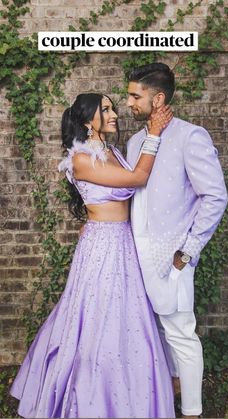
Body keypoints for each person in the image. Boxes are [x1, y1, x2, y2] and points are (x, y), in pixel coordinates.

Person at [10, 93, 175, 418]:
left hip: (124, 243)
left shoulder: (112, 151)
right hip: (102, 249)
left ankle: (129, 399)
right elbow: (137, 179)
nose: (114, 114)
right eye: (106, 109)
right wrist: (154, 133)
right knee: (100, 321)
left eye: (113, 108)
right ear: (88, 120)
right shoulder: (80, 159)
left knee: (129, 322)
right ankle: (89, 401)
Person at [126, 62, 228, 418]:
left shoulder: (190, 136)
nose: (129, 103)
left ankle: (193, 411)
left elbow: (215, 196)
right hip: (136, 257)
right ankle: (165, 398)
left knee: (181, 334)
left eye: (135, 96)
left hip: (172, 257)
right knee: (153, 333)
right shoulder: (136, 141)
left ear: (158, 99)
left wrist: (188, 251)